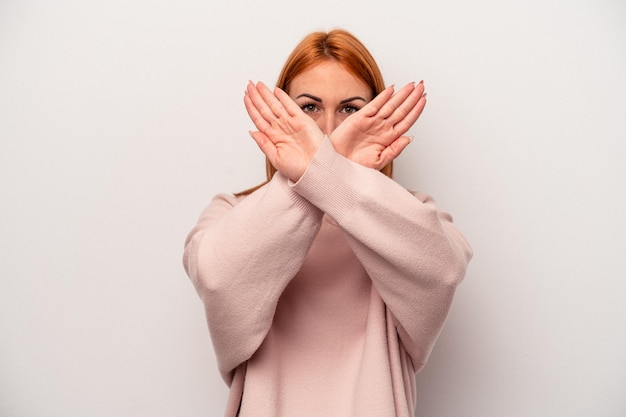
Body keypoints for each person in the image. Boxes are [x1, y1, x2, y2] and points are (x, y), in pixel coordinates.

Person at [183, 29, 472, 417]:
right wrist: (324, 176)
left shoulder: (412, 213)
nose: (328, 129)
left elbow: (443, 272)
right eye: (309, 107)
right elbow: (218, 279)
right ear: (282, 111)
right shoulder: (231, 211)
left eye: (350, 108)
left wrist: (326, 174)